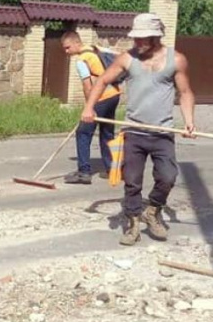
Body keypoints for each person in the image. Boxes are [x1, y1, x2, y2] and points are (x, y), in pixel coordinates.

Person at [80, 13, 195, 246]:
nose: (138, 43)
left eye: (144, 38)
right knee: (132, 180)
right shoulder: (126, 59)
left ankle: (152, 210)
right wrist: (89, 108)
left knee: (167, 177)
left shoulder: (177, 60)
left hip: (162, 133)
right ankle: (132, 222)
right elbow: (101, 81)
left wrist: (189, 121)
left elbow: (185, 93)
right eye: (136, 38)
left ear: (156, 36)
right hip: (134, 132)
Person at [60, 31, 121, 184]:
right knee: (107, 133)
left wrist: (89, 107)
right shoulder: (95, 49)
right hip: (114, 94)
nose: (66, 52)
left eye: (67, 48)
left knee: (83, 132)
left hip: (100, 98)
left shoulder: (82, 60)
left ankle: (84, 172)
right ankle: (110, 169)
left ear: (76, 43)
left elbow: (88, 86)